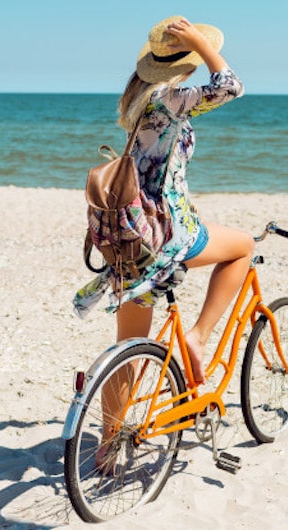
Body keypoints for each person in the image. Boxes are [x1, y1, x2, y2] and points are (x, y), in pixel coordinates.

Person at [72, 15, 253, 456]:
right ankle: (199, 336)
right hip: (167, 233)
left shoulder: (140, 100)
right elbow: (231, 86)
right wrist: (200, 43)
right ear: (186, 64)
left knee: (128, 347)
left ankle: (108, 445)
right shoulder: (174, 98)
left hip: (132, 237)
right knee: (244, 245)